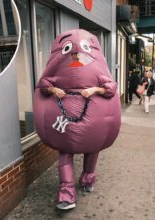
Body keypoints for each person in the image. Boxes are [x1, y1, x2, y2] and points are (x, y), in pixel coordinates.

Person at [33, 29, 120, 210]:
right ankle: (66, 192)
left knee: (92, 150)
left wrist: (95, 90)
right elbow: (43, 84)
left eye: (79, 52)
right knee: (65, 153)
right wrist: (53, 90)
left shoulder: (96, 68)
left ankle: (88, 177)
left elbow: (111, 87)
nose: (76, 57)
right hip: (65, 121)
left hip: (94, 122)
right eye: (71, 53)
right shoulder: (58, 67)